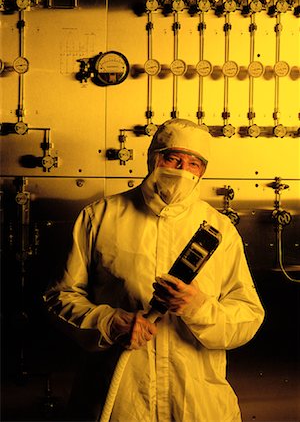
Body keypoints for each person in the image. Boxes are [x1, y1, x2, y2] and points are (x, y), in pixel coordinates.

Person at [44, 118, 265, 422]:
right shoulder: (99, 217)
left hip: (196, 403)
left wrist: (198, 308)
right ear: (153, 158)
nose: (181, 170)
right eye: (172, 158)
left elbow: (248, 315)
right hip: (118, 399)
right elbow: (60, 297)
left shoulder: (219, 231)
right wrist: (108, 322)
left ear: (202, 171)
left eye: (193, 163)